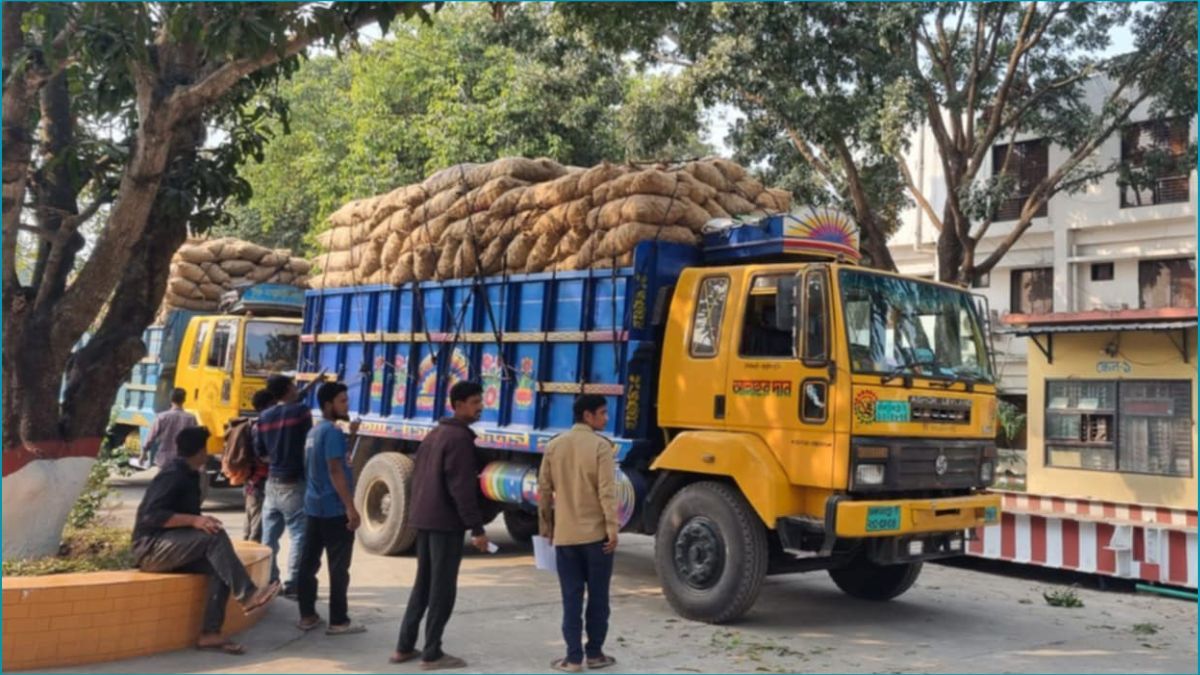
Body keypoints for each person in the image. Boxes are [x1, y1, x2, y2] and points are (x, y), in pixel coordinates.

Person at [132, 426, 281, 654]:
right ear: (201, 451)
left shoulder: (190, 474)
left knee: (220, 567)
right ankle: (248, 595)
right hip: (150, 549)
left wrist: (201, 520)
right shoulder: (173, 475)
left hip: (172, 545)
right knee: (214, 538)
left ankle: (210, 634)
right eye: (207, 448)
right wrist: (194, 520)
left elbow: (184, 516)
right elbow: (151, 516)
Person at [392, 381, 491, 670]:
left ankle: (404, 647)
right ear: (458, 405)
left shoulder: (435, 434)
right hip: (445, 524)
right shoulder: (459, 440)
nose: (480, 407)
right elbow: (462, 489)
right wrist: (477, 528)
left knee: (423, 585)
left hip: (425, 519)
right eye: (474, 402)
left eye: (480, 401)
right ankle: (432, 653)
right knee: (442, 590)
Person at [538, 394, 620, 673]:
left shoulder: (554, 446)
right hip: (597, 539)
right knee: (598, 598)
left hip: (565, 538)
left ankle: (573, 658)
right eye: (602, 413)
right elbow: (607, 491)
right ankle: (595, 654)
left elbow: (544, 491)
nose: (606, 418)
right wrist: (612, 528)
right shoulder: (601, 447)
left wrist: (547, 528)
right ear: (588, 415)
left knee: (571, 599)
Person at [296, 382, 365, 635]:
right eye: (342, 401)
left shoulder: (314, 432)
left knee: (308, 564)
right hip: (334, 509)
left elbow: (337, 460)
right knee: (338, 568)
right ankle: (338, 620)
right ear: (328, 405)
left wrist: (352, 436)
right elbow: (336, 470)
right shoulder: (332, 432)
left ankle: (307, 615)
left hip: (313, 507)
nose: (347, 405)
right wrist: (350, 508)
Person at [256, 374, 313, 599]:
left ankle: (270, 580)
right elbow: (309, 444)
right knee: (299, 535)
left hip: (272, 482)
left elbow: (261, 452)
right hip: (294, 482)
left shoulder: (263, 417)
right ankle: (293, 584)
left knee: (269, 537)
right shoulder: (301, 413)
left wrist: (277, 460)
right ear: (289, 389)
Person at [243, 389, 276, 542]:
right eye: (273, 404)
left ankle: (245, 550)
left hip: (252, 479)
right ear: (266, 406)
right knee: (257, 522)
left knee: (251, 516)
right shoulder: (261, 427)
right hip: (258, 479)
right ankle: (251, 551)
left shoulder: (255, 424)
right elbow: (261, 455)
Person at [142, 388, 198, 468]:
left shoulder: (162, 417)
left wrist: (144, 452)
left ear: (170, 399)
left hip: (164, 460)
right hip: (182, 462)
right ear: (184, 400)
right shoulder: (191, 418)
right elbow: (196, 441)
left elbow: (151, 437)